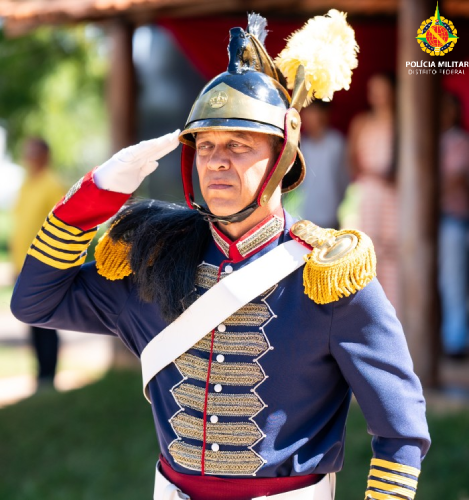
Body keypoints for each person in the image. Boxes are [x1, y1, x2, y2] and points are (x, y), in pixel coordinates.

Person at [11, 13, 429, 500]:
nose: (217, 161)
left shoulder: (329, 275)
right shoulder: (154, 260)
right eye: (206, 146)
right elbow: (35, 303)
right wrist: (96, 196)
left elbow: (401, 431)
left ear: (281, 158)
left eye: (238, 144)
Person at [10, 137, 64, 391]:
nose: (28, 158)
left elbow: (61, 226)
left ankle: (48, 377)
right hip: (23, 268)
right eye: (26, 153)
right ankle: (40, 375)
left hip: (42, 268)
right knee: (31, 322)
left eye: (33, 153)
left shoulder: (52, 184)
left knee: (45, 323)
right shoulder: (26, 184)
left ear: (45, 155)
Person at [348, 73, 399, 311]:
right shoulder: (362, 122)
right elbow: (352, 159)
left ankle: (396, 313)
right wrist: (370, 176)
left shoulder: (403, 123)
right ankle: (370, 312)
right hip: (368, 193)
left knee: (393, 252)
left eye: (382, 89)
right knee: (368, 251)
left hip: (395, 195)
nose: (377, 95)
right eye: (373, 90)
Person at [439, 92, 469, 359]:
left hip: (454, 220)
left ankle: (455, 342)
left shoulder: (461, 142)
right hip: (431, 222)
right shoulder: (426, 141)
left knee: (453, 283)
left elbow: (458, 181)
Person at [296, 100, 349, 229]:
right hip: (306, 214)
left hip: (331, 212)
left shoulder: (336, 143)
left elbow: (345, 178)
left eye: (312, 112)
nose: (307, 117)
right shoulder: (302, 145)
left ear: (324, 114)